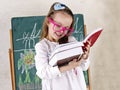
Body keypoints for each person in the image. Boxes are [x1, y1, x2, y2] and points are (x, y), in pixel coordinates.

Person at [35, 2, 90, 90]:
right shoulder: (43, 46)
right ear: (48, 22)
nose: (61, 31)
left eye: (66, 28)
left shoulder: (71, 41)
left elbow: (84, 67)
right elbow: (43, 72)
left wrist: (85, 57)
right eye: (58, 25)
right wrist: (68, 67)